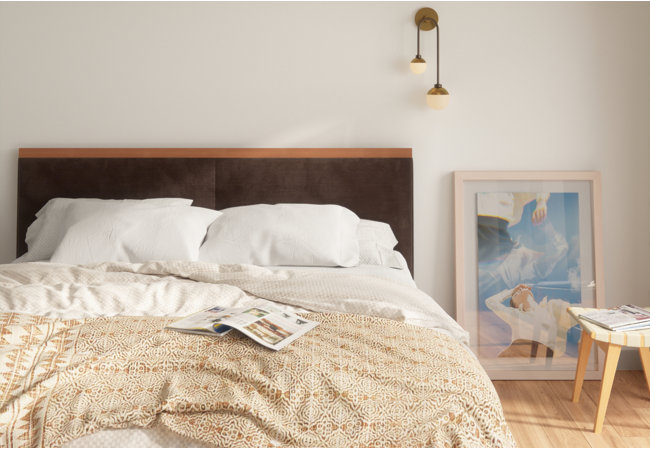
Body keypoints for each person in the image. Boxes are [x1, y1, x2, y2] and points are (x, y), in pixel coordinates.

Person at [485, 283, 577, 357]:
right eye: (516, 294)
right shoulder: (516, 314)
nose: (521, 290)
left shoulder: (551, 308)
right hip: (522, 354)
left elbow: (577, 314)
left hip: (548, 354)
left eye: (522, 289)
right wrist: (511, 291)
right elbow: (490, 302)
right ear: (516, 306)